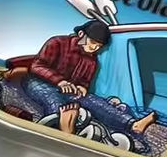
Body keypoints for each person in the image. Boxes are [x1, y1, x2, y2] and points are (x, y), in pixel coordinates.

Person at [22, 19, 157, 138]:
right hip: (37, 82)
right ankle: (61, 127)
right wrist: (60, 81)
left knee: (93, 101)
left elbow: (84, 82)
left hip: (69, 90)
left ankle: (132, 124)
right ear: (81, 34)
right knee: (52, 97)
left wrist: (82, 87)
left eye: (98, 46)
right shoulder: (57, 42)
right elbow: (37, 66)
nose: (94, 48)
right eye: (92, 42)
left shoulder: (92, 61)